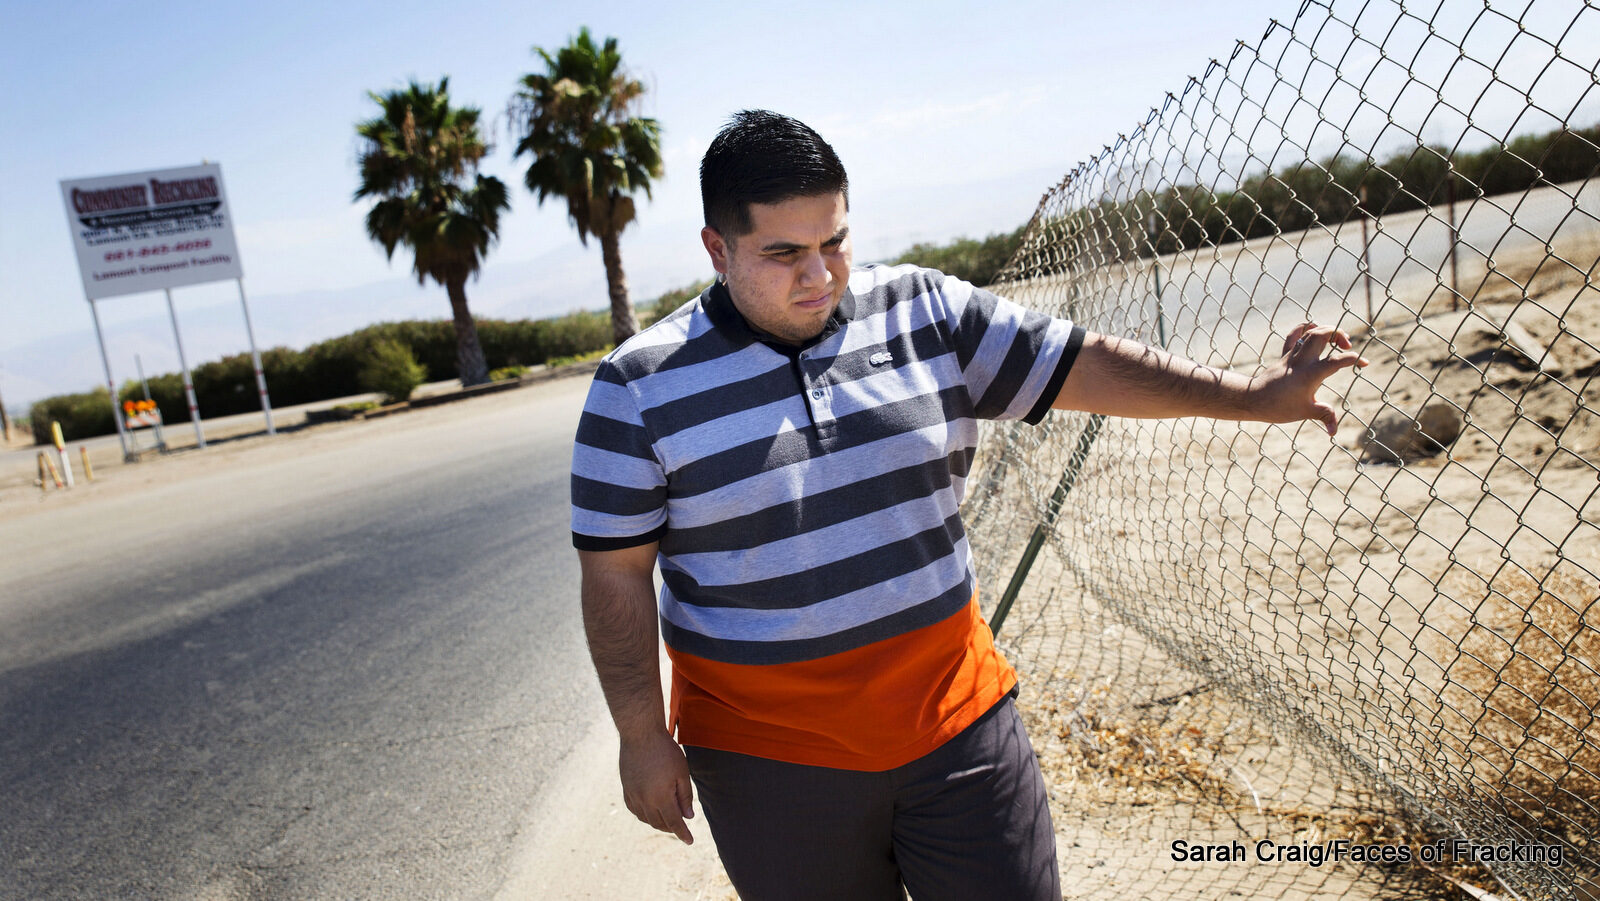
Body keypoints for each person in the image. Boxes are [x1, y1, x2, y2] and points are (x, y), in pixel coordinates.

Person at [570, 109, 1365, 900]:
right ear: (717, 248)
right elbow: (615, 577)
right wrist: (642, 738)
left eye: (834, 241)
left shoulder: (926, 311)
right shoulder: (637, 387)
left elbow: (1085, 364)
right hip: (771, 765)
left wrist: (1254, 397)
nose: (819, 275)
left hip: (958, 726)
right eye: (783, 254)